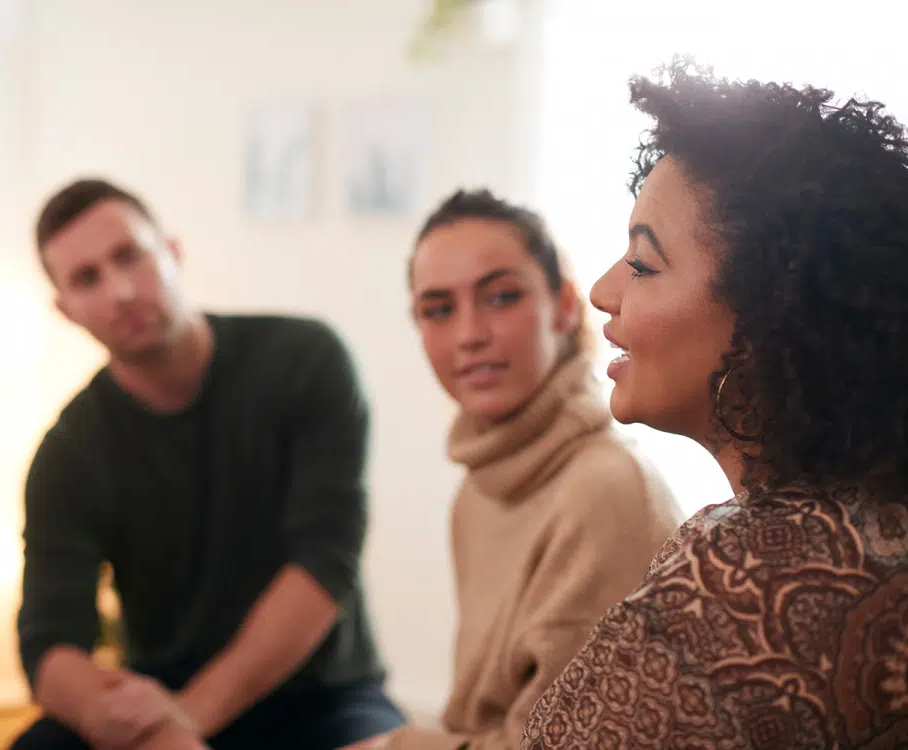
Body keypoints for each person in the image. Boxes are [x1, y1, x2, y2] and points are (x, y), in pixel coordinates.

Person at [520, 60, 908, 749]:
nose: (604, 291)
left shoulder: (733, 590)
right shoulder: (874, 519)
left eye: (643, 264)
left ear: (768, 322)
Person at [11, 179, 406, 750]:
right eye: (87, 278)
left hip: (323, 693)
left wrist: (190, 718)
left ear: (171, 252)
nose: (120, 290)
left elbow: (325, 564)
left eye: (130, 256)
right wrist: (128, 721)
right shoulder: (67, 453)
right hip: (161, 690)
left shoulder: (306, 360)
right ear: (66, 310)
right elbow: (48, 644)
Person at [347, 189, 684, 750]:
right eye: (437, 310)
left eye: (501, 297)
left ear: (566, 306)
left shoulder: (604, 489)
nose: (469, 334)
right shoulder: (482, 485)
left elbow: (561, 745)